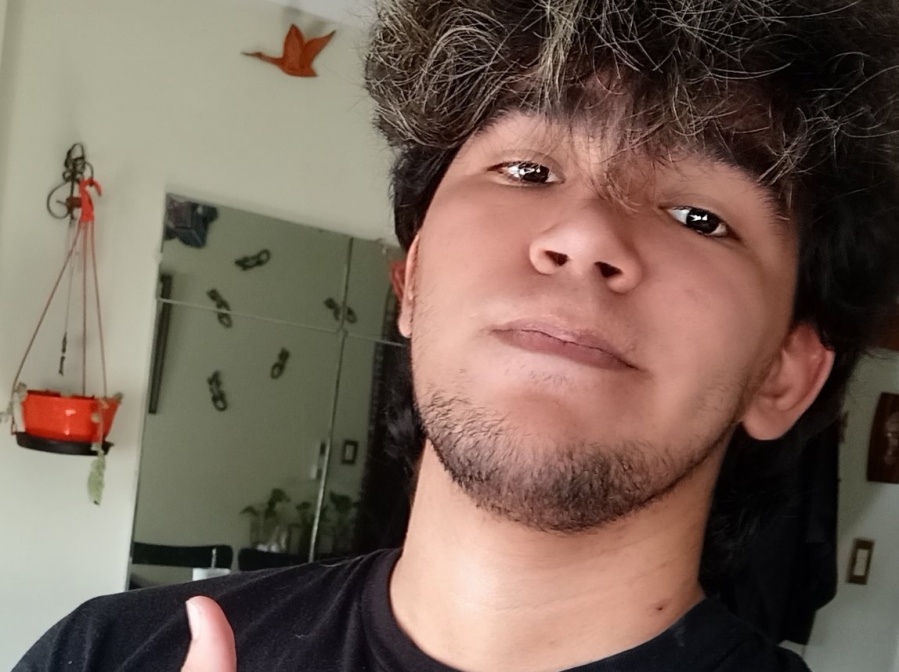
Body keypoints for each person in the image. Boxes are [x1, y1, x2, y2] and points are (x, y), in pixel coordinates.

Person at [16, 0, 899, 670]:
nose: (584, 235)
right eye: (527, 168)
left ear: (784, 376)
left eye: (698, 216)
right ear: (411, 282)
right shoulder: (107, 653)